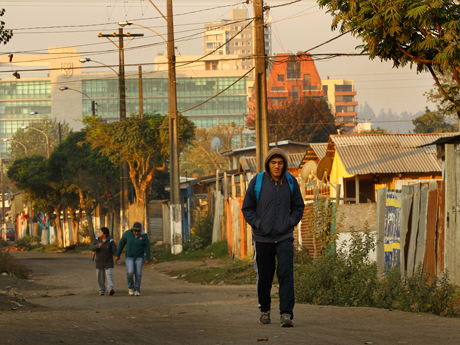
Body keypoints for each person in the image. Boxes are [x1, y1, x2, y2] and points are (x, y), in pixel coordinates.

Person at [242, 147, 305, 327]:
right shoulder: (258, 181)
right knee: (265, 276)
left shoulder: (291, 182)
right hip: (262, 238)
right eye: (273, 163)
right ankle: (265, 310)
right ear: (268, 164)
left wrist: (290, 222)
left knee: (286, 274)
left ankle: (286, 314)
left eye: (280, 163)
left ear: (284, 165)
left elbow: (299, 207)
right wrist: (259, 223)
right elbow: (247, 208)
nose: (277, 166)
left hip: (284, 237)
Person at [115, 222, 151, 296]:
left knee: (138, 274)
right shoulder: (127, 233)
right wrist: (117, 254)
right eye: (134, 231)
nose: (136, 233)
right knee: (130, 272)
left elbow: (147, 247)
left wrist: (147, 258)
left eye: (138, 231)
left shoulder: (144, 235)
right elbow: (121, 244)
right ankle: (130, 287)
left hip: (139, 257)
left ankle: (137, 289)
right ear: (132, 230)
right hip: (129, 256)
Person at [91, 227, 117, 296]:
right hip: (99, 261)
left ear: (104, 234)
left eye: (100, 232)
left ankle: (111, 289)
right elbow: (92, 248)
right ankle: (101, 290)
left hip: (108, 261)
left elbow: (114, 250)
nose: (99, 233)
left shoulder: (111, 241)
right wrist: (97, 246)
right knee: (100, 276)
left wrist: (116, 256)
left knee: (109, 275)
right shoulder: (97, 240)